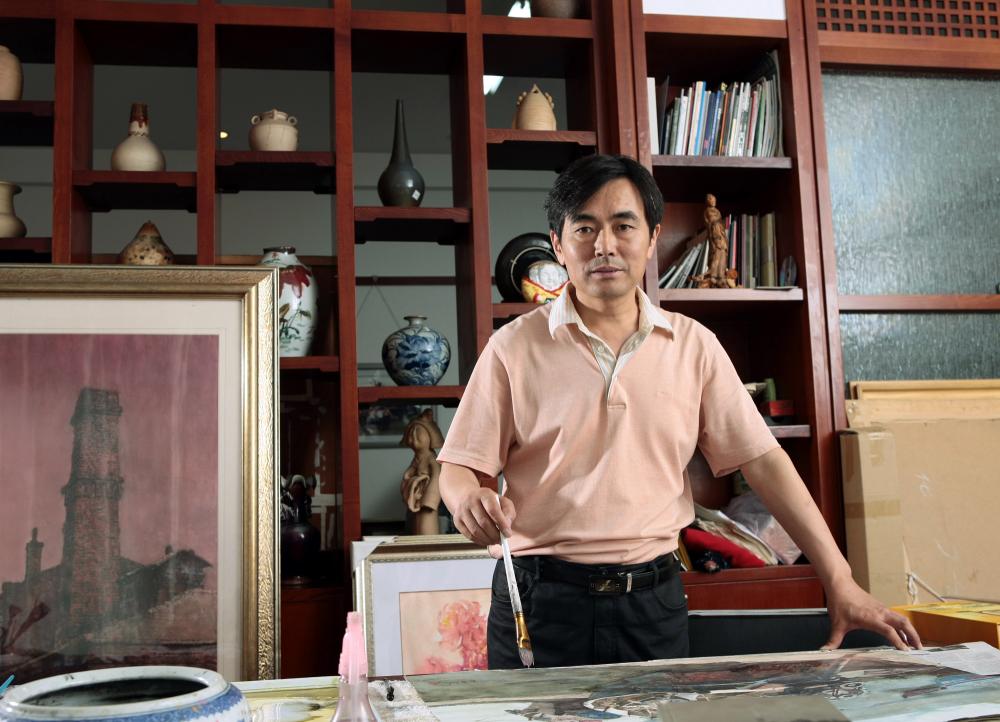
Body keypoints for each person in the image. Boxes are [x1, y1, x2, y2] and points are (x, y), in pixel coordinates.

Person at [437, 154, 920, 670]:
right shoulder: (513, 348)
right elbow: (458, 468)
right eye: (585, 228)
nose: (604, 245)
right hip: (540, 603)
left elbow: (764, 463)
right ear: (558, 244)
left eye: (623, 226)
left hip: (652, 605)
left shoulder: (693, 346)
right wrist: (467, 499)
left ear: (651, 238)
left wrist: (839, 580)